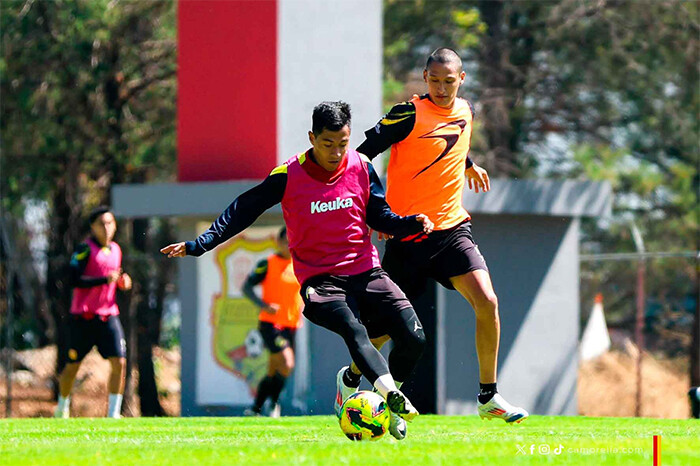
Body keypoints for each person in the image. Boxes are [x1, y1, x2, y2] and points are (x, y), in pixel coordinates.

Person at [161, 101, 432, 438]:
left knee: (414, 336)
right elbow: (243, 209)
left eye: (343, 144)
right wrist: (200, 243)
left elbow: (379, 215)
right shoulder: (288, 174)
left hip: (366, 271)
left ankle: (367, 393)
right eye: (327, 144)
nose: (336, 153)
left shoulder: (361, 166)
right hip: (322, 281)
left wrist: (410, 223)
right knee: (354, 328)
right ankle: (392, 396)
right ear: (312, 137)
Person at [334, 48, 529, 424]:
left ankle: (488, 397)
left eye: (449, 81)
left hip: (452, 231)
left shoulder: (467, 110)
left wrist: (470, 164)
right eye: (435, 81)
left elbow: (453, 140)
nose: (442, 88)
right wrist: (375, 212)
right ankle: (352, 376)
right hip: (408, 236)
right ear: (425, 79)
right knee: (382, 332)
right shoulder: (407, 113)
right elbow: (360, 158)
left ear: (462, 79)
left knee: (487, 301)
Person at [54, 206, 132, 419]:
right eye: (102, 224)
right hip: (83, 317)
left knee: (120, 362)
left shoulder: (116, 249)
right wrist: (103, 280)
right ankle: (62, 409)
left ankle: (113, 414)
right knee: (72, 367)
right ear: (93, 227)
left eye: (110, 223)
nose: (107, 228)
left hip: (108, 316)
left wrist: (123, 283)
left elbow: (116, 279)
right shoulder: (84, 249)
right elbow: (72, 279)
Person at [241, 226, 303, 417]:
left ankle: (256, 408)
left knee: (274, 369)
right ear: (278, 242)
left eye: (291, 242)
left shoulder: (299, 265)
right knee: (288, 363)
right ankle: (274, 404)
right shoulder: (267, 263)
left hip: (291, 324)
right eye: (285, 241)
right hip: (270, 324)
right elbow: (247, 287)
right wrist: (263, 304)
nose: (288, 245)